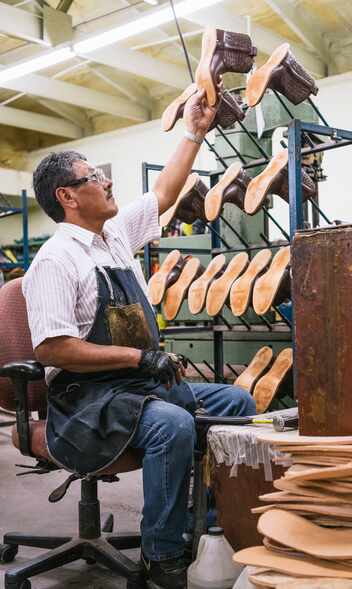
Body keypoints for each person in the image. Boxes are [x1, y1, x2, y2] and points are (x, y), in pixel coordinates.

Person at [22, 88, 256, 589]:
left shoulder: (114, 236)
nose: (107, 182)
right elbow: (52, 349)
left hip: (136, 388)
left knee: (236, 401)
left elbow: (167, 193)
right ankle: (163, 556)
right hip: (86, 404)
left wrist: (195, 128)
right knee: (171, 424)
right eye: (94, 177)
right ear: (67, 196)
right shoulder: (55, 260)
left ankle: (209, 527)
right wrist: (138, 356)